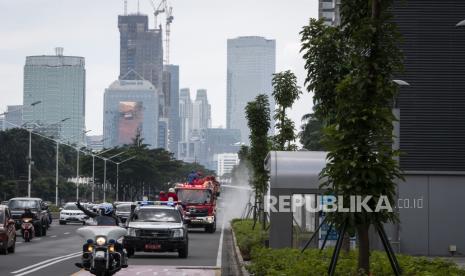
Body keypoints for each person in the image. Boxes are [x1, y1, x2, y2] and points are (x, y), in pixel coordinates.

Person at [75, 200, 127, 269]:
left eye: (102, 210)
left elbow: (120, 227)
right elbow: (89, 213)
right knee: (86, 245)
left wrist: (122, 228)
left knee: (119, 246)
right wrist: (81, 207)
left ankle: (121, 262)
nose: (100, 211)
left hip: (110, 238)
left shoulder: (115, 218)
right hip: (99, 237)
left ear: (107, 210)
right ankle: (85, 262)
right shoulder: (98, 217)